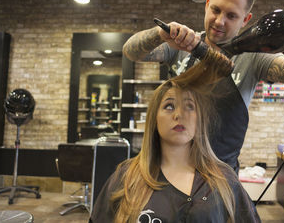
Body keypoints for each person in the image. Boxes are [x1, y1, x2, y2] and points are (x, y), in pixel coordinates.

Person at [123, 0, 284, 173]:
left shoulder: (254, 57)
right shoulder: (180, 45)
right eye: (216, 10)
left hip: (219, 181)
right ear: (206, 5)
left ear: (246, 20)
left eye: (232, 16)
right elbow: (131, 51)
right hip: (168, 172)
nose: (220, 21)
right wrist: (160, 33)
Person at [90, 55, 260, 222]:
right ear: (154, 119)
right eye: (169, 106)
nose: (179, 114)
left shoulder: (224, 180)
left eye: (189, 106)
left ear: (199, 120)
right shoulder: (127, 177)